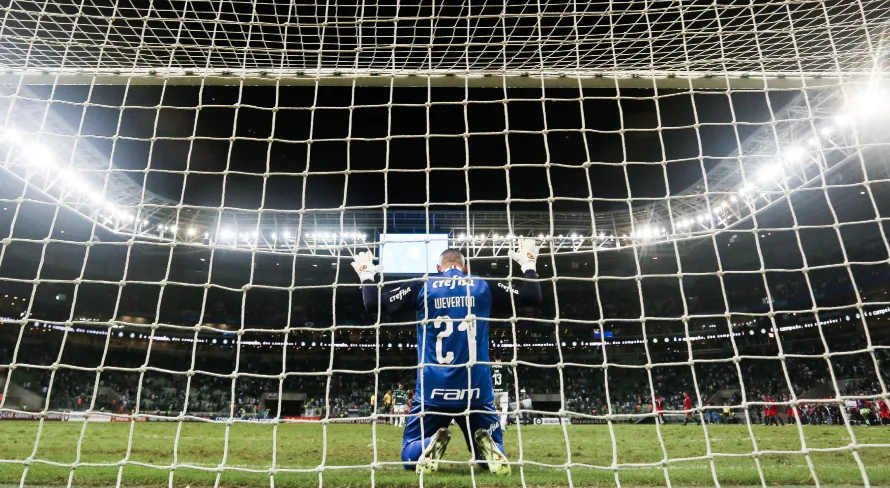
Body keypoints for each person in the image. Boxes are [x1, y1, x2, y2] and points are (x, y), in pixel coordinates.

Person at [352, 240, 543, 475]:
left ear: (438, 267)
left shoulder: (423, 284)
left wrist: (367, 274)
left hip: (433, 390)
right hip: (477, 391)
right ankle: (488, 449)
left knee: (408, 456)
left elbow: (373, 305)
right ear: (464, 268)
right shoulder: (482, 284)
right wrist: (528, 264)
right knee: (488, 458)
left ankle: (425, 447)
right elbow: (532, 298)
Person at [491, 352, 511, 431]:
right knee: (504, 408)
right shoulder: (505, 365)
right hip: (503, 390)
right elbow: (511, 374)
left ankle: (495, 425)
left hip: (493, 390)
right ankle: (502, 426)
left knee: (495, 408)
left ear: (494, 357)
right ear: (501, 357)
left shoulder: (490, 366)